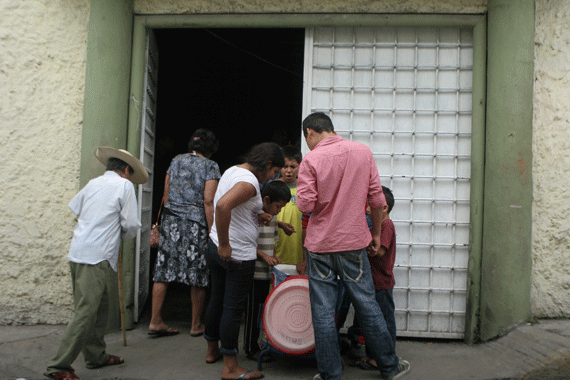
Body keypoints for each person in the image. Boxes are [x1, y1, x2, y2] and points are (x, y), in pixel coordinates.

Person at [296, 112, 410, 380]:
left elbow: (306, 205)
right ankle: (390, 367)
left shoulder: (311, 160)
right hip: (353, 243)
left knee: (323, 311)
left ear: (310, 132)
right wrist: (377, 235)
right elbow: (377, 199)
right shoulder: (362, 152)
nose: (307, 144)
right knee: (368, 304)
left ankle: (330, 375)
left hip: (320, 246)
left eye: (306, 138)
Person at [44, 147, 148, 380]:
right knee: (86, 312)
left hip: (80, 251)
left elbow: (76, 208)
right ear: (127, 170)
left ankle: (95, 355)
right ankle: (59, 366)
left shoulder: (93, 184)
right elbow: (131, 225)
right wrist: (119, 233)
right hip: (97, 255)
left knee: (99, 309)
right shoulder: (124, 186)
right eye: (131, 173)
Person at [204, 142, 285, 380]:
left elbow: (234, 206)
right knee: (232, 308)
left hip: (215, 247)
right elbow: (222, 205)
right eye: (274, 172)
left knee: (216, 299)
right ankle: (230, 367)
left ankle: (212, 351)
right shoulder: (250, 182)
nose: (273, 177)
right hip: (235, 254)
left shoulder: (233, 170)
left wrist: (255, 215)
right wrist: (226, 244)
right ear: (268, 164)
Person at [148, 129, 220, 337]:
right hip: (195, 225)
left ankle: (155, 320)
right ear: (211, 148)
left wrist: (165, 219)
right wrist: (213, 229)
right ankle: (196, 325)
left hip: (171, 222)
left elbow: (166, 193)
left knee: (163, 270)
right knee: (197, 274)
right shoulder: (210, 166)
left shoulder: (176, 161)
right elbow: (208, 201)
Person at [244, 180, 291, 362]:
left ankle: (257, 343)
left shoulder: (272, 220)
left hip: (266, 274)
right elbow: (247, 244)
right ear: (266, 200)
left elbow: (272, 246)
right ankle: (249, 347)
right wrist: (265, 257)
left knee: (262, 310)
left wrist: (274, 259)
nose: (279, 211)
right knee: (253, 312)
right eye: (278, 206)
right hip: (254, 272)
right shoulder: (254, 216)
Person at [352, 186, 398, 370]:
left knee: (385, 322)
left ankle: (385, 356)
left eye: (371, 205)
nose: (368, 209)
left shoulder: (386, 225)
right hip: (374, 282)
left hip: (382, 283)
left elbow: (380, 252)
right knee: (372, 322)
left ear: (384, 207)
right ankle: (373, 356)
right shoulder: (378, 225)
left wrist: (365, 245)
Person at [274, 145, 306, 274]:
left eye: (292, 167)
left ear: (300, 166)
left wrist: (305, 258)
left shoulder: (304, 188)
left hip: (298, 250)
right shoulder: (273, 187)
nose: (288, 171)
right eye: (285, 166)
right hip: (277, 250)